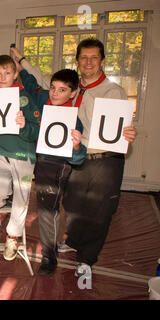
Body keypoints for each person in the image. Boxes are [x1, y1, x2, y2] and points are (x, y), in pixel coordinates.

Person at [60, 38, 137, 278]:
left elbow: (121, 127)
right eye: (84, 57)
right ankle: (73, 240)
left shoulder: (114, 92)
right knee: (72, 204)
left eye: (94, 58)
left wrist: (129, 132)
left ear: (102, 61)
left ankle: (87, 258)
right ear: (77, 61)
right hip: (77, 156)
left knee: (99, 211)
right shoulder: (70, 89)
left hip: (106, 159)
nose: (89, 62)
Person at [14, 55, 87, 275]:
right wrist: (20, 67)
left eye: (62, 90)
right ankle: (51, 250)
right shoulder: (43, 99)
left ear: (72, 93)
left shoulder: (74, 119)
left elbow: (79, 157)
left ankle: (49, 256)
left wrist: (75, 147)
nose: (55, 93)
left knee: (48, 211)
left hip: (57, 166)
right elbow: (31, 84)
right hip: (40, 162)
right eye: (54, 87)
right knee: (49, 210)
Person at [0, 55, 41, 261]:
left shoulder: (25, 98)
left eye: (7, 73)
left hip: (23, 154)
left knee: (21, 197)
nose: (3, 77)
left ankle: (13, 235)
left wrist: (24, 126)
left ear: (15, 74)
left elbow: (37, 129)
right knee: (0, 191)